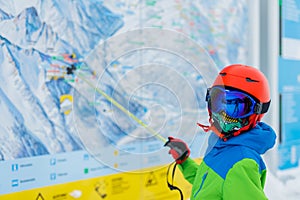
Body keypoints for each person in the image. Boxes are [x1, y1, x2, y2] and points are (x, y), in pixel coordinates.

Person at [165, 64, 276, 200]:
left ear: (256, 112)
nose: (223, 114)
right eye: (218, 101)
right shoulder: (221, 144)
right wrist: (184, 161)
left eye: (236, 106)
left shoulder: (241, 163)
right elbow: (209, 185)